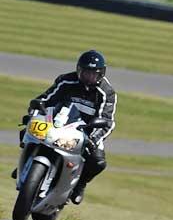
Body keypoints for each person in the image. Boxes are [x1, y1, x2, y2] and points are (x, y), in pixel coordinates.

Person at [17, 50, 117, 205]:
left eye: (94, 74)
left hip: (86, 130)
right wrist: (36, 107)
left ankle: (80, 185)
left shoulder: (107, 92)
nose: (89, 77)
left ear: (101, 74)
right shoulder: (66, 81)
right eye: (85, 73)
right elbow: (47, 98)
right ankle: (27, 164)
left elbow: (107, 121)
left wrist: (93, 138)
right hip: (59, 122)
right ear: (79, 70)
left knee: (98, 161)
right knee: (28, 129)